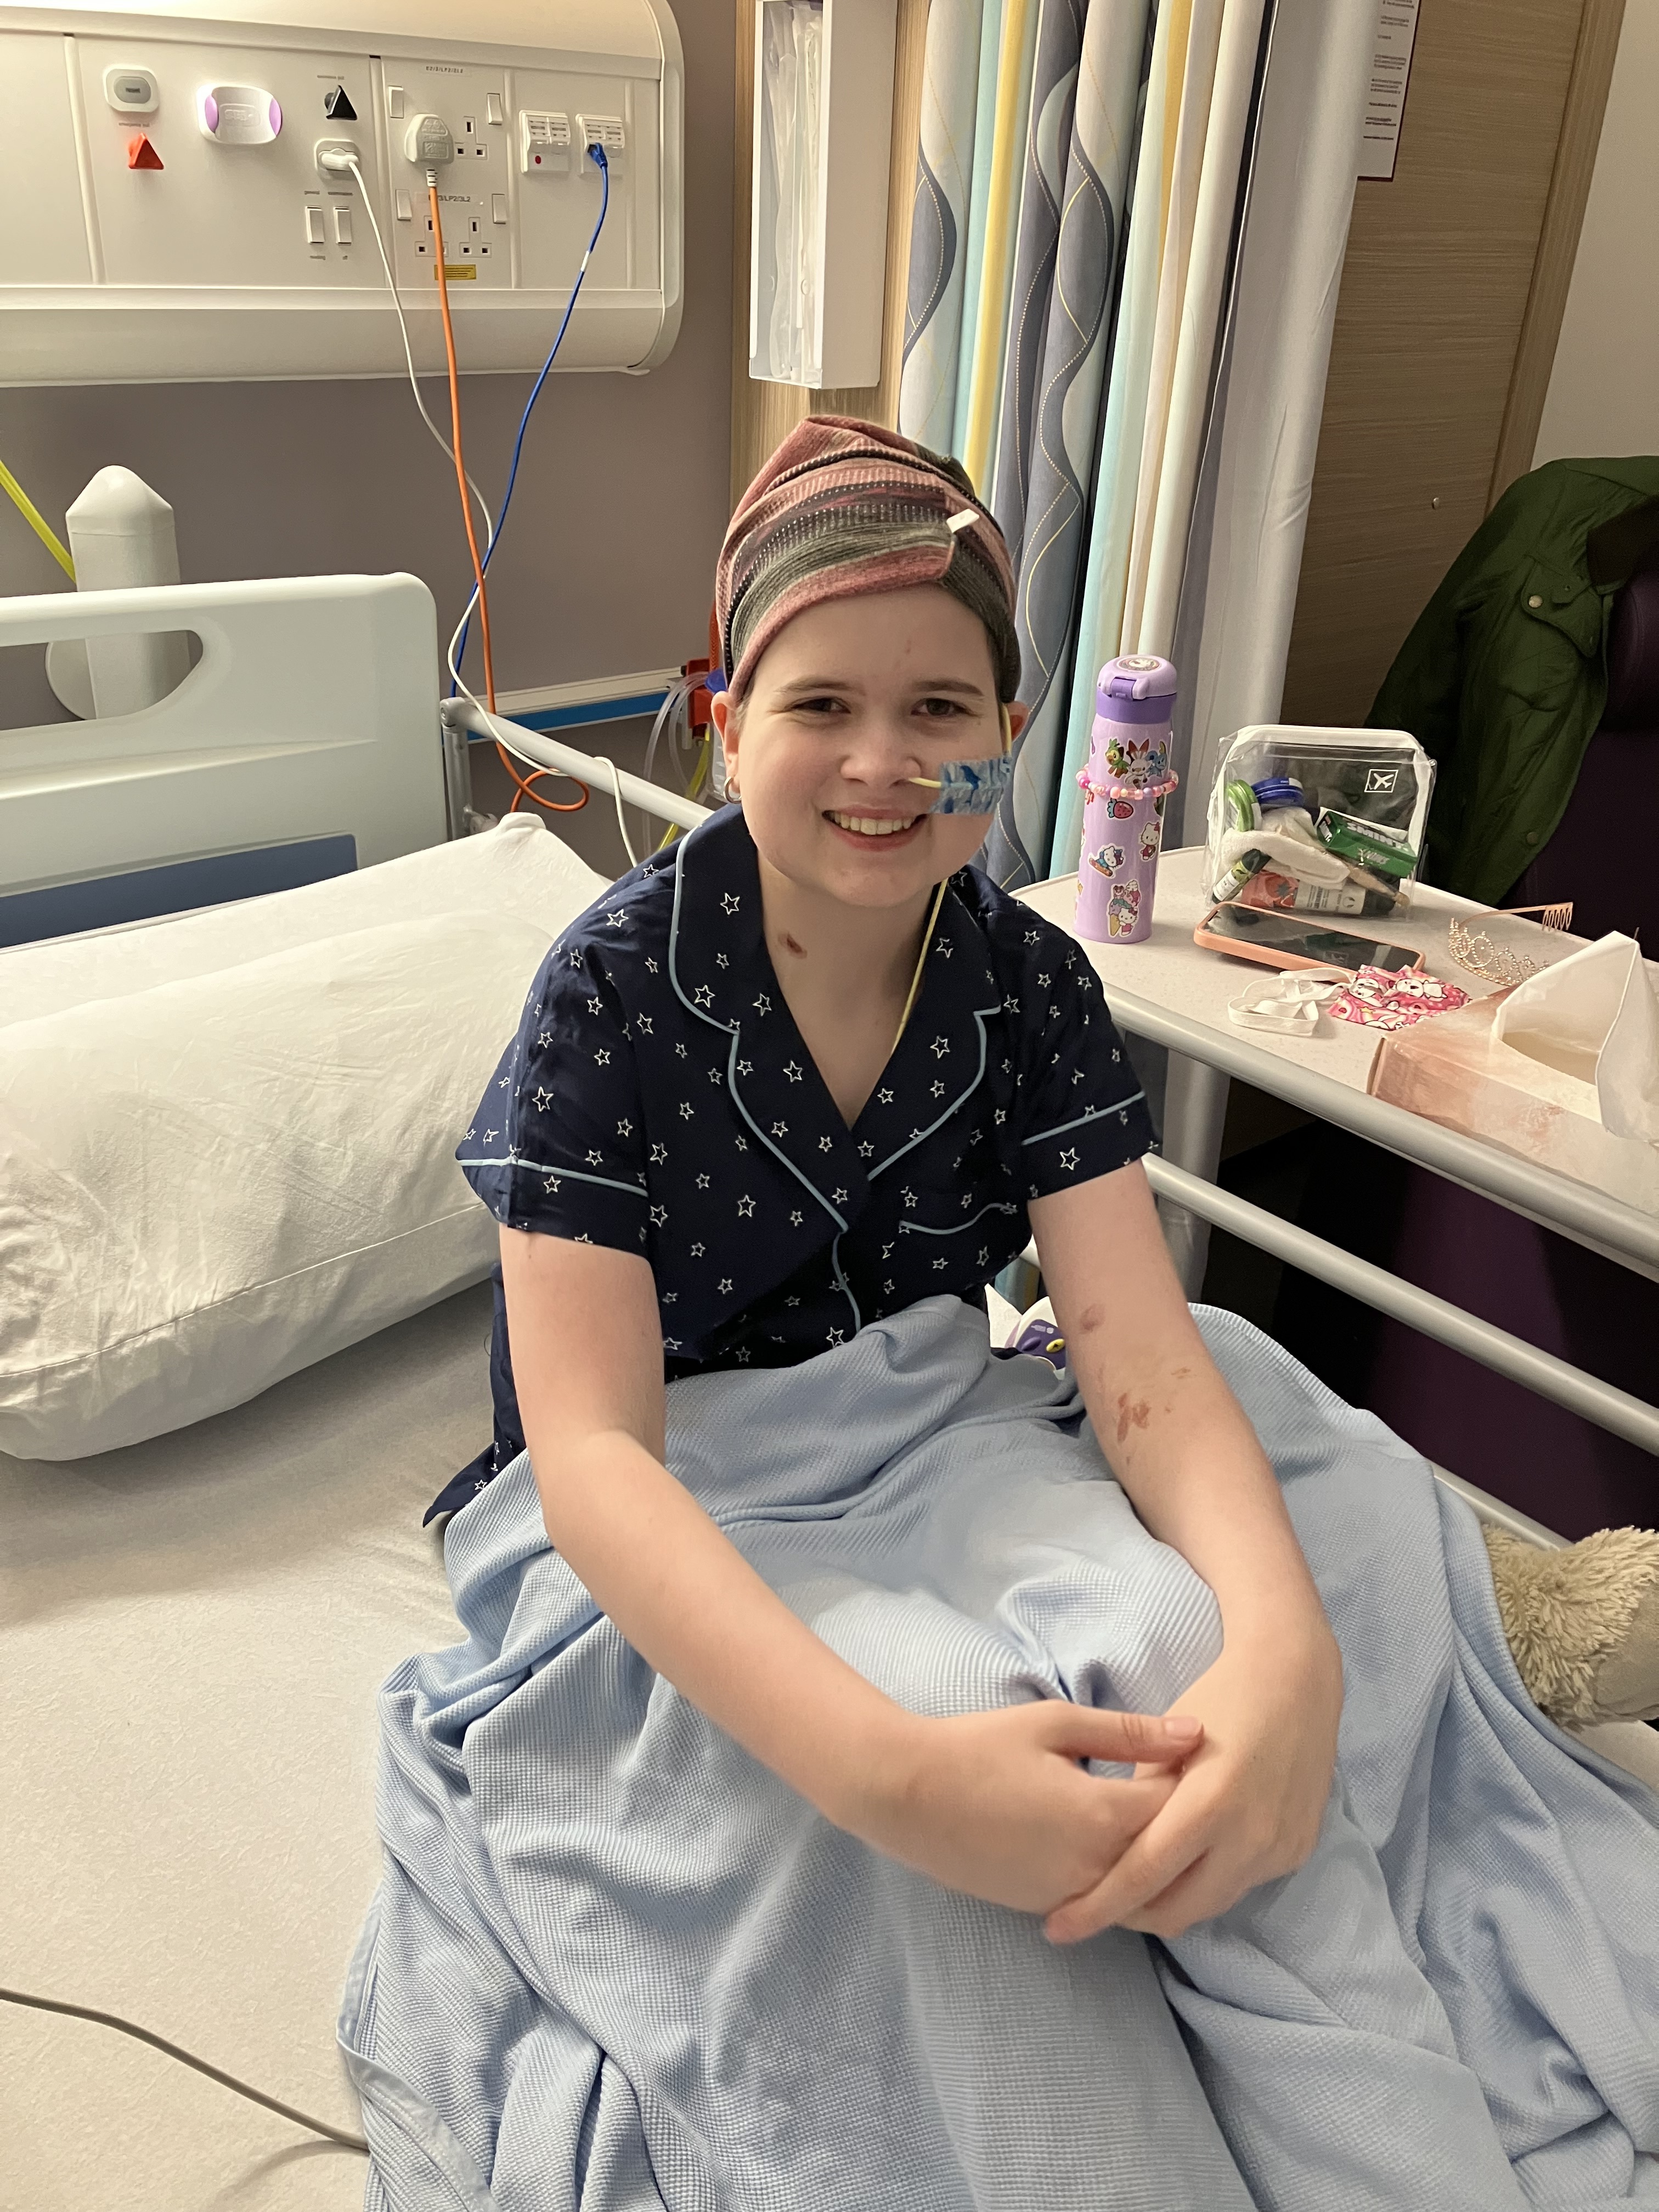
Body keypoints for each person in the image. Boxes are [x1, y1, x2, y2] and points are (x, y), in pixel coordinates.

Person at [358, 419, 1657, 2210]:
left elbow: (1128, 1347)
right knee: (953, 1730)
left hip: (941, 1421)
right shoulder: (611, 998)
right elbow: (590, 1454)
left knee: (1233, 1591)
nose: (883, 764)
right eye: (820, 706)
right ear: (725, 719)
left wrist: (1285, 1661)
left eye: (942, 714)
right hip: (664, 1490)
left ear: (1011, 742)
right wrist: (887, 1774)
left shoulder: (1024, 975)